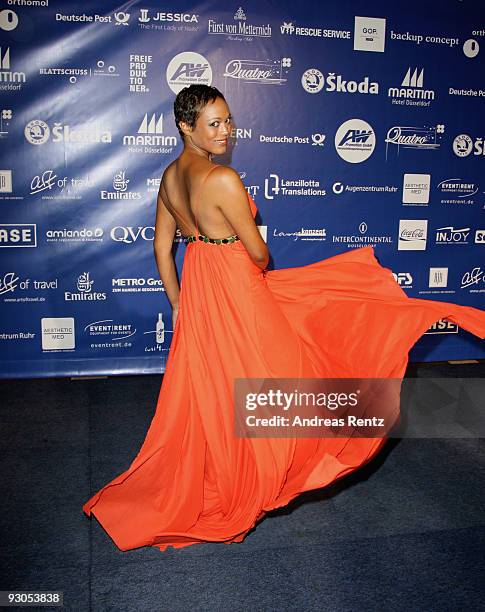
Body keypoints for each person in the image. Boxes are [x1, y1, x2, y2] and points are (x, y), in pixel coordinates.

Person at [82, 84, 485, 552]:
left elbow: (160, 247)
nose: (226, 131)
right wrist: (237, 262)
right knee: (286, 368)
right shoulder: (223, 180)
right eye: (213, 123)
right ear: (185, 126)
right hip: (236, 284)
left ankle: (229, 468)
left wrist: (179, 302)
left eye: (228, 120)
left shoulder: (169, 178)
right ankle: (268, 471)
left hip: (200, 288)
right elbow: (258, 253)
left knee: (217, 385)